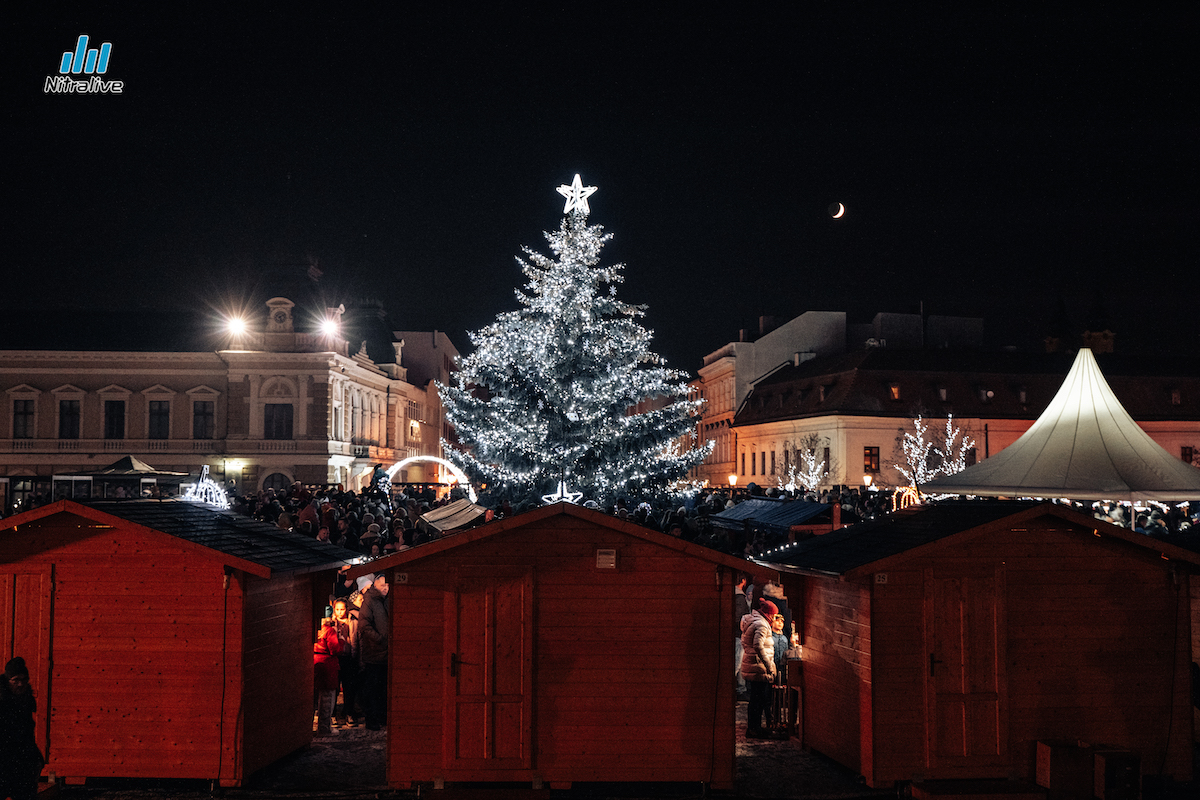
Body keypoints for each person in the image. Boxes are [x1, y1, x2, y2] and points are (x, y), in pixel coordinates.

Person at [0, 657, 45, 800]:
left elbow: (27, 735)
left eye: (24, 680)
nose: (20, 684)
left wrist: (36, 757)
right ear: (8, 681)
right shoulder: (2, 702)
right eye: (15, 680)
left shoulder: (26, 701)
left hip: (21, 762)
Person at [740, 598, 778, 738]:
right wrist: (769, 666)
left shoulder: (751, 620)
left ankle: (753, 727)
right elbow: (758, 645)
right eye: (773, 616)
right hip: (759, 667)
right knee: (759, 699)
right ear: (768, 614)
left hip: (752, 663)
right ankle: (754, 728)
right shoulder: (762, 625)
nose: (774, 619)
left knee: (755, 698)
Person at [358, 572, 390, 730]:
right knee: (372, 687)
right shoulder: (370, 601)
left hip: (386, 653)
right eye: (382, 585)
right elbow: (364, 625)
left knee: (384, 688)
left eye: (387, 585)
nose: (385, 588)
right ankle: (371, 719)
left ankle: (382, 717)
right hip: (374, 653)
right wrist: (380, 639)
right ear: (375, 585)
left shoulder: (387, 600)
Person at [313, 616, 344, 735]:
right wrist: (341, 640)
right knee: (327, 698)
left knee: (312, 698)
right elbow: (335, 649)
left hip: (314, 662)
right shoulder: (329, 631)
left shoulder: (312, 628)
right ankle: (324, 728)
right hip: (327, 665)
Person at [331, 598, 360, 726]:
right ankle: (332, 714)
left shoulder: (352, 622)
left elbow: (356, 638)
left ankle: (348, 712)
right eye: (337, 609)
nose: (340, 612)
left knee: (349, 687)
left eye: (342, 609)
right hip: (335, 657)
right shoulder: (331, 622)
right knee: (334, 687)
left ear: (346, 609)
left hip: (348, 657)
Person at [733, 573, 750, 702]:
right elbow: (739, 616)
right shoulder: (739, 597)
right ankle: (739, 690)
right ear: (743, 581)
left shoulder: (734, 596)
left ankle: (740, 689)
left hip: (736, 635)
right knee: (737, 664)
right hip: (738, 635)